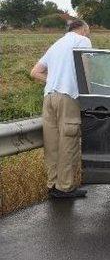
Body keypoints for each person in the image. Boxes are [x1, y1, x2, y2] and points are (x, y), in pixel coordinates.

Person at [30, 20, 92, 198]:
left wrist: (52, 80)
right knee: (68, 142)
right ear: (82, 29)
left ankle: (52, 184)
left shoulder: (56, 44)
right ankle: (65, 187)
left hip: (49, 97)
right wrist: (88, 96)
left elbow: (35, 71)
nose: (89, 34)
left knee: (52, 143)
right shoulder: (82, 41)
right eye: (88, 30)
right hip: (68, 97)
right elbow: (86, 70)